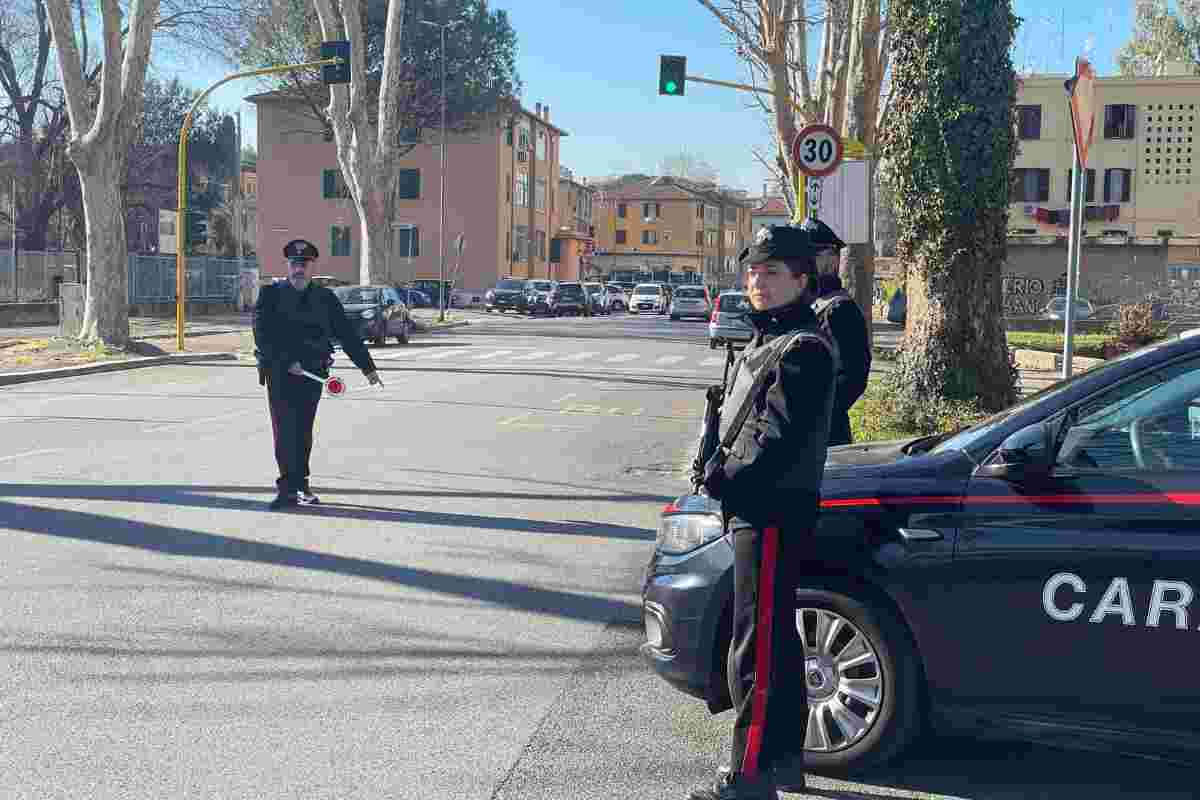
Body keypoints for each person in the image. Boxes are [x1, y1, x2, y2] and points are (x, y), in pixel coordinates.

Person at [689, 224, 840, 800]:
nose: (758, 280)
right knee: (773, 641)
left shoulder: (802, 348)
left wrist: (721, 480)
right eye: (753, 270)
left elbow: (771, 438)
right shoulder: (771, 338)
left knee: (757, 648)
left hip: (771, 511)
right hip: (761, 510)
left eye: (772, 272)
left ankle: (749, 776)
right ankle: (779, 761)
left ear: (802, 280)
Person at [253, 239, 383, 510]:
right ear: (288, 265)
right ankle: (287, 489)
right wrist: (286, 361)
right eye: (294, 264)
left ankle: (301, 484)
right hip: (280, 374)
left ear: (313, 267)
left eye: (304, 264)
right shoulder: (270, 295)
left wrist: (368, 368)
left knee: (302, 432)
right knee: (285, 430)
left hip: (313, 374)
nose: (298, 269)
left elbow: (347, 335)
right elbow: (263, 336)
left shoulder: (325, 298)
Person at [803, 217, 872, 447]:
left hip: (826, 435)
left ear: (833, 259)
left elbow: (853, 378)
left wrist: (814, 413)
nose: (804, 261)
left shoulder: (840, 309)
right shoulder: (809, 303)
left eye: (812, 254)